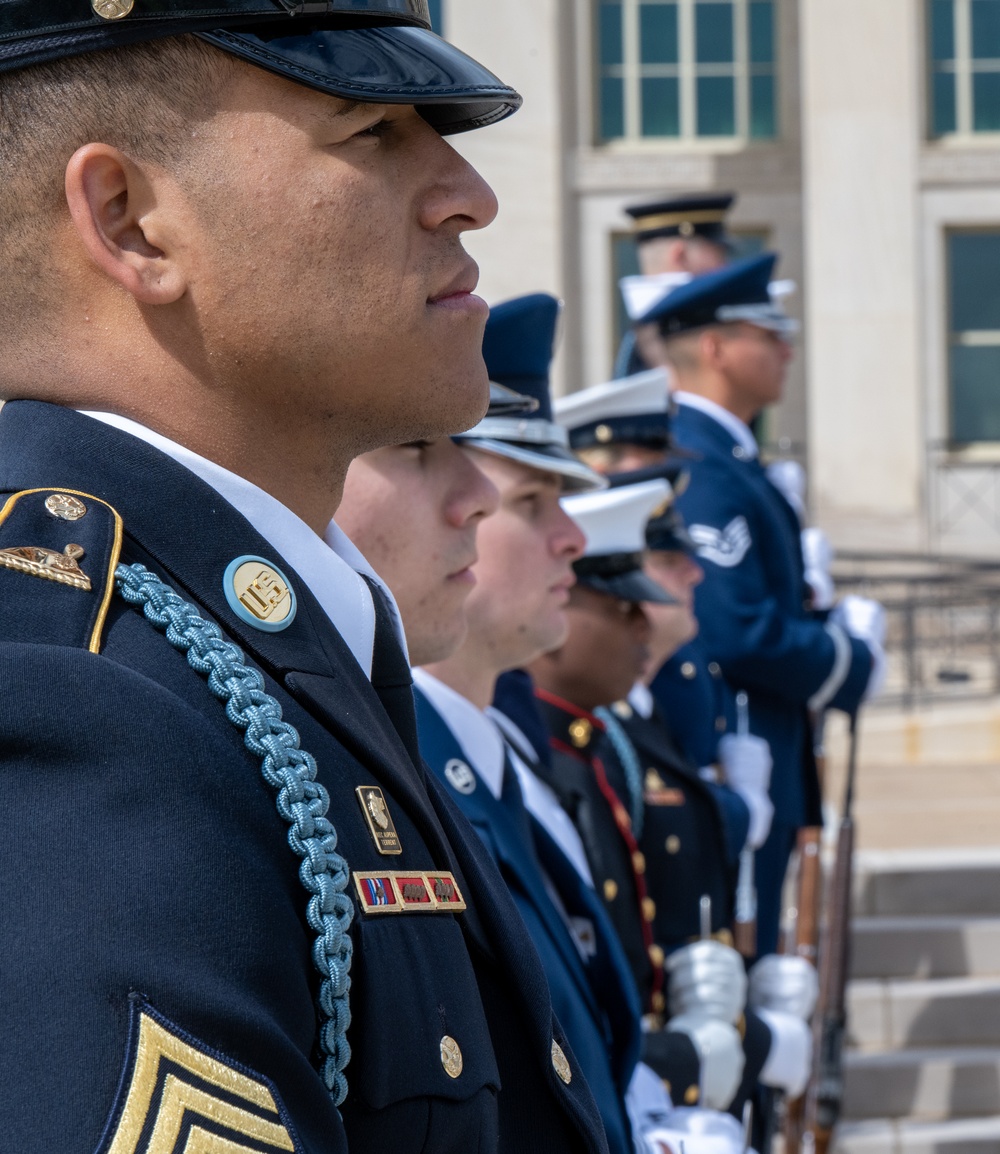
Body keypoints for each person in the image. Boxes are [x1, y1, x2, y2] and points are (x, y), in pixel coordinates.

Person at [0, 10, 609, 1153]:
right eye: (373, 130)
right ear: (132, 222)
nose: (467, 192)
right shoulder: (71, 702)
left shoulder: (254, 653)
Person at [640, 252, 886, 957]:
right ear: (714, 348)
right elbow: (733, 629)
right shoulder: (704, 463)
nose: (787, 348)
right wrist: (850, 659)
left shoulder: (727, 458)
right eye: (767, 333)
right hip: (735, 755)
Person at [615, 193, 736, 377]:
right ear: (679, 255)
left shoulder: (645, 331)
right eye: (718, 253)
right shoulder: (672, 329)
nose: (725, 266)